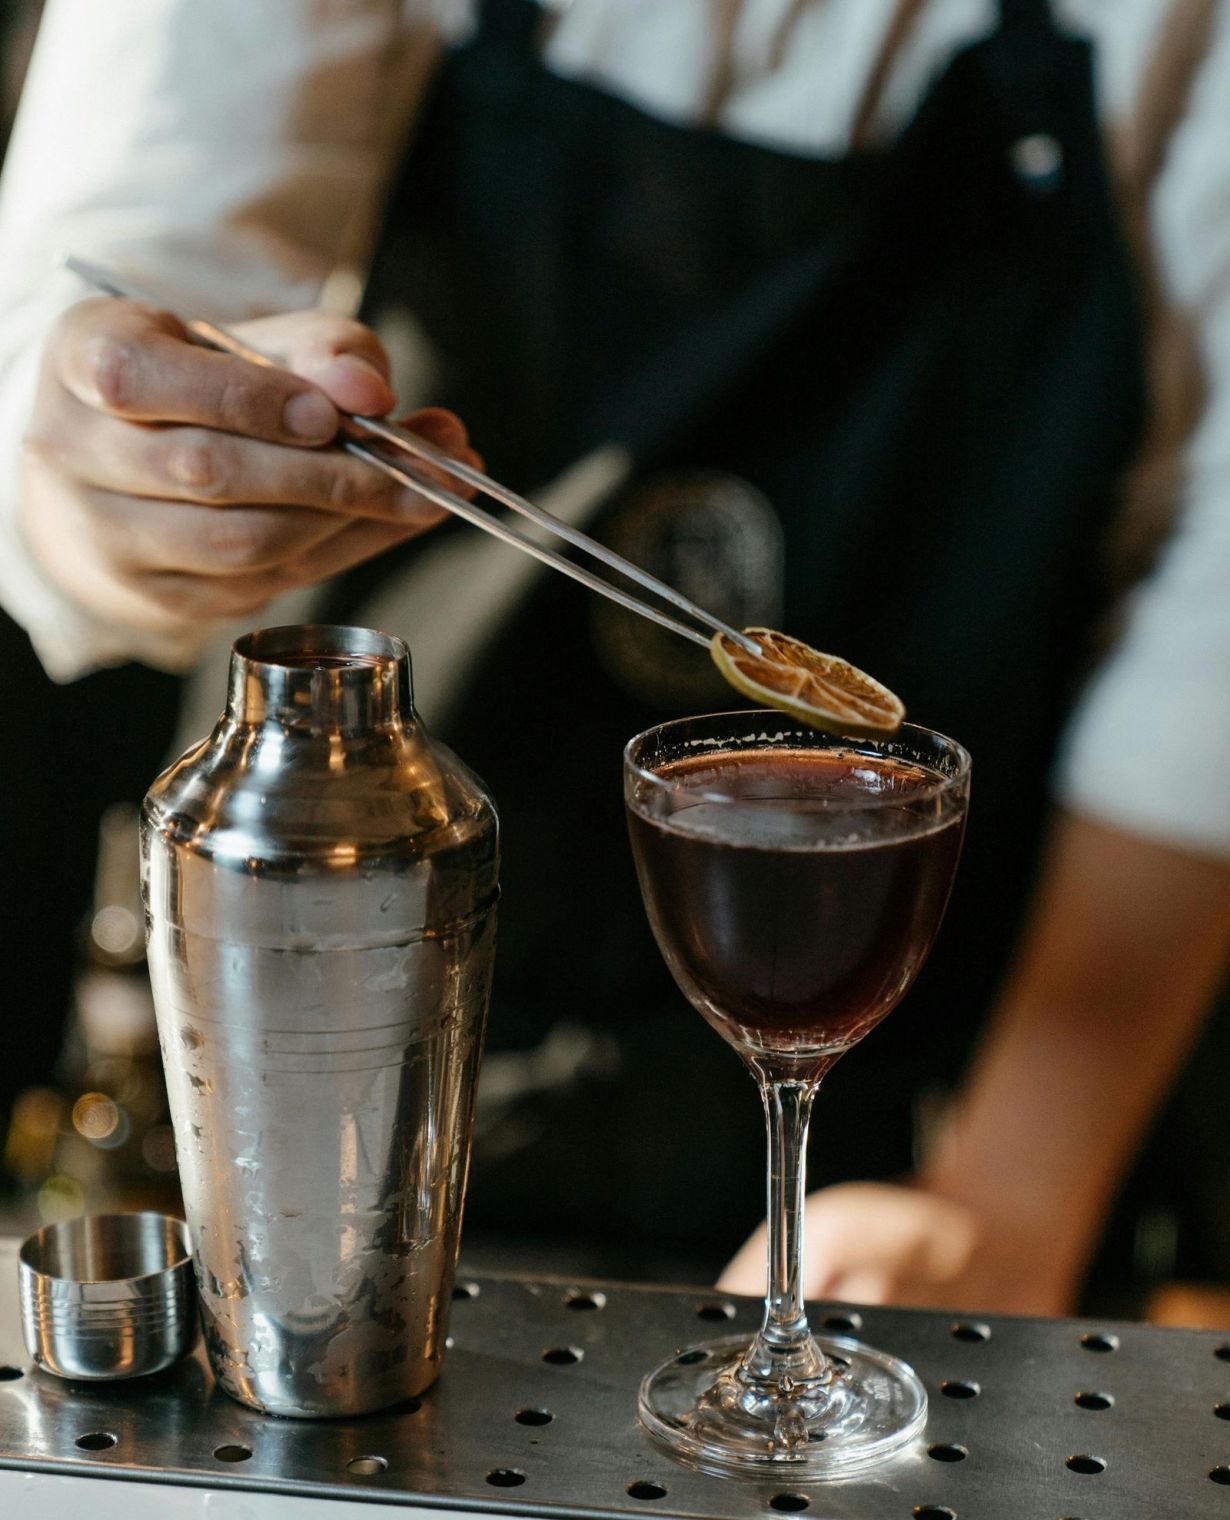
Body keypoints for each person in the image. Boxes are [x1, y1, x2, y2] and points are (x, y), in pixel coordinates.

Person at [1, 0, 1229, 1312]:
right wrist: (135, 485)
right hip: (302, 1060)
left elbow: (1203, 650)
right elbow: (125, 285)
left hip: (931, 1103)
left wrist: (1010, 1191)